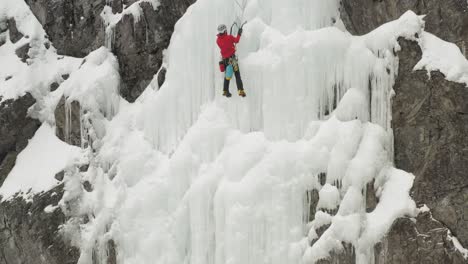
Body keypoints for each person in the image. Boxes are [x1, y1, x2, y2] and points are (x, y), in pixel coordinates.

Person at [216, 24, 246, 98]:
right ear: (225, 31)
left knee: (227, 76)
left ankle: (225, 90)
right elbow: (237, 40)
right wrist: (239, 33)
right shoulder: (229, 37)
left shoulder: (218, 40)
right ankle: (240, 90)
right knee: (237, 74)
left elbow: (225, 42)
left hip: (225, 61)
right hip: (232, 60)